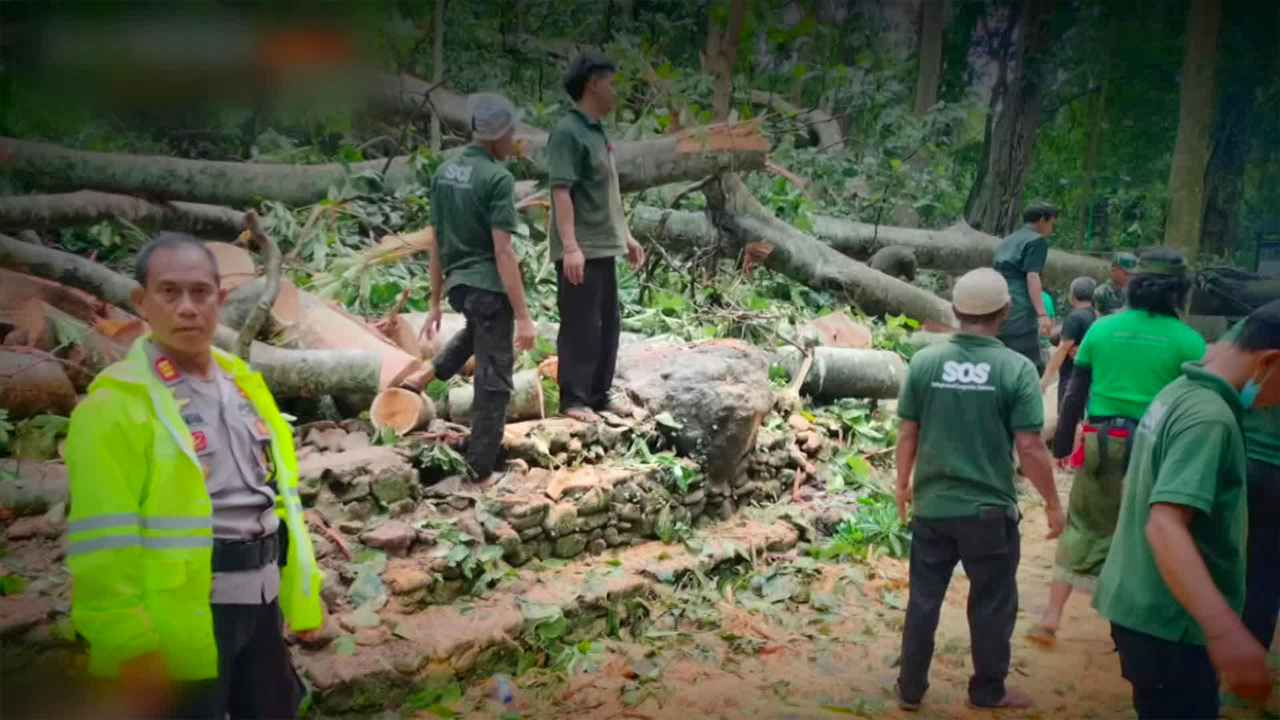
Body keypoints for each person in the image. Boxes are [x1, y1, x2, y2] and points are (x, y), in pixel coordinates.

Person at [64, 233, 324, 719]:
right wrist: (127, 641)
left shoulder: (242, 381)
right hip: (184, 618)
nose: (188, 308)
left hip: (263, 605)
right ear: (141, 302)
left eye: (201, 292)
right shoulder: (117, 405)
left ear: (220, 300)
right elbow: (101, 539)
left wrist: (300, 596)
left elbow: (279, 497)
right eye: (170, 292)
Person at [1094, 299, 1280, 720]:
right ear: (1269, 361)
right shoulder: (1210, 419)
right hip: (1172, 627)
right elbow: (1164, 525)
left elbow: (1133, 490)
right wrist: (1227, 631)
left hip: (1141, 607)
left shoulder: (1178, 390)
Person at [892, 268, 1065, 712]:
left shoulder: (925, 363)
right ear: (1005, 312)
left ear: (954, 311)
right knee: (991, 604)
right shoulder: (1016, 369)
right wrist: (1051, 502)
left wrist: (902, 487)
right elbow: (1029, 445)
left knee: (923, 600)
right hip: (989, 513)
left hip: (933, 506)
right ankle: (987, 692)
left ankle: (910, 689)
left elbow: (907, 432)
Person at [1030, 249, 1205, 644]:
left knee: (1084, 525)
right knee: (1147, 530)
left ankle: (1052, 618)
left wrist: (1061, 445)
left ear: (1135, 285)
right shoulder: (1190, 342)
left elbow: (1075, 392)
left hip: (1101, 441)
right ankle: (1129, 629)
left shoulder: (1103, 329)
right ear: (1178, 292)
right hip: (1157, 447)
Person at [410, 93, 537, 484]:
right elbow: (503, 251)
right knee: (495, 382)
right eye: (511, 132)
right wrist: (523, 316)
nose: (513, 139)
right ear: (497, 134)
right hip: (487, 286)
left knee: (479, 328)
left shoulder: (444, 173)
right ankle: (479, 470)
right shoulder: (498, 179)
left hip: (460, 288)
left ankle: (429, 373)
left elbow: (435, 240)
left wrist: (434, 301)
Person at [547, 52, 645, 423]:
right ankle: (573, 399)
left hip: (604, 245)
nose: (615, 91)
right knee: (581, 324)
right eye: (611, 83)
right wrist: (570, 246)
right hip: (581, 248)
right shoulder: (568, 133)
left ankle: (600, 393)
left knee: (608, 322)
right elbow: (561, 192)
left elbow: (609, 193)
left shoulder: (597, 132)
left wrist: (627, 235)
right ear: (593, 84)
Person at [1217, 318, 1280, 650]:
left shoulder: (1259, 322)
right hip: (1260, 468)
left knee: (1224, 554)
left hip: (1240, 459)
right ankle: (1249, 651)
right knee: (1266, 571)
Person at [993, 200, 1058, 372]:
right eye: (1051, 222)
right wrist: (1042, 314)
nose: (1051, 227)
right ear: (1042, 220)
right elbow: (1032, 276)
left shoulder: (1007, 240)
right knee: (1029, 365)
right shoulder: (1037, 242)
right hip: (1020, 308)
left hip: (999, 302)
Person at [1040, 276, 1098, 403]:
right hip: (1089, 377)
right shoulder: (1097, 317)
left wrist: (1046, 378)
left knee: (1066, 416)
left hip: (1071, 377)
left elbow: (1062, 349)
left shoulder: (1075, 318)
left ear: (1072, 297)